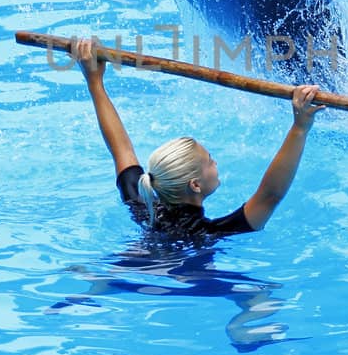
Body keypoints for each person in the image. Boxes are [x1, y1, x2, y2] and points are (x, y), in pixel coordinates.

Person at [69, 37, 323, 236]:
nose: (216, 163)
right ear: (195, 185)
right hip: (197, 283)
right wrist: (300, 126)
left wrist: (94, 80)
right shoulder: (210, 233)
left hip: (134, 267)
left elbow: (121, 150)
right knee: (258, 296)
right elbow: (271, 194)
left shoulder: (142, 207)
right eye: (210, 161)